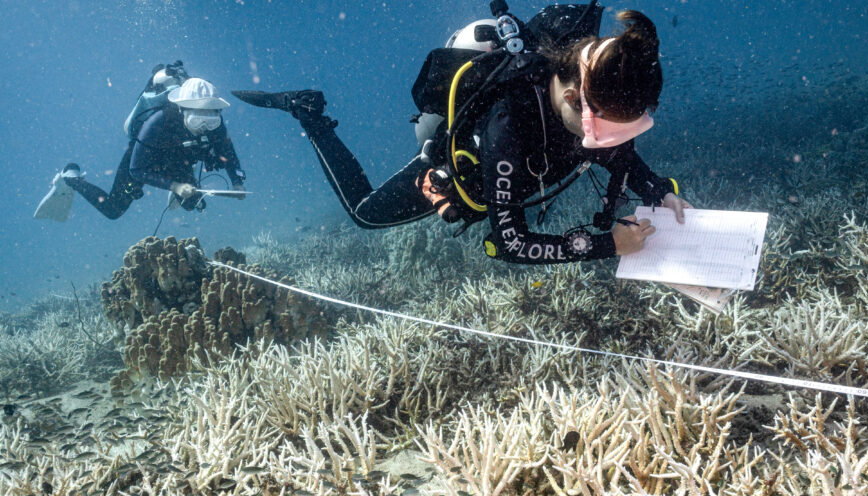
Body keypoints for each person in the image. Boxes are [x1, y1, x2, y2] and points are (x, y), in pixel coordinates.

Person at [235, 4, 690, 264]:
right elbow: (510, 242)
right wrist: (609, 244)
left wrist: (658, 191)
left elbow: (620, 154)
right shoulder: (509, 126)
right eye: (608, 129)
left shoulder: (601, 97)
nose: (614, 142)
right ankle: (309, 114)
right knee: (365, 214)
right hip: (468, 168)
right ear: (573, 99)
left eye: (628, 127)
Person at [35, 73, 246, 222]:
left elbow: (228, 152)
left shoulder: (215, 122)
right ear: (182, 109)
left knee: (193, 204)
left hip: (179, 160)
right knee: (112, 210)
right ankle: (70, 178)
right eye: (198, 119)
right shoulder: (158, 121)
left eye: (210, 120)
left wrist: (237, 183)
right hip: (146, 160)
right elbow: (136, 170)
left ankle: (176, 186)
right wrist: (175, 186)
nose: (205, 127)